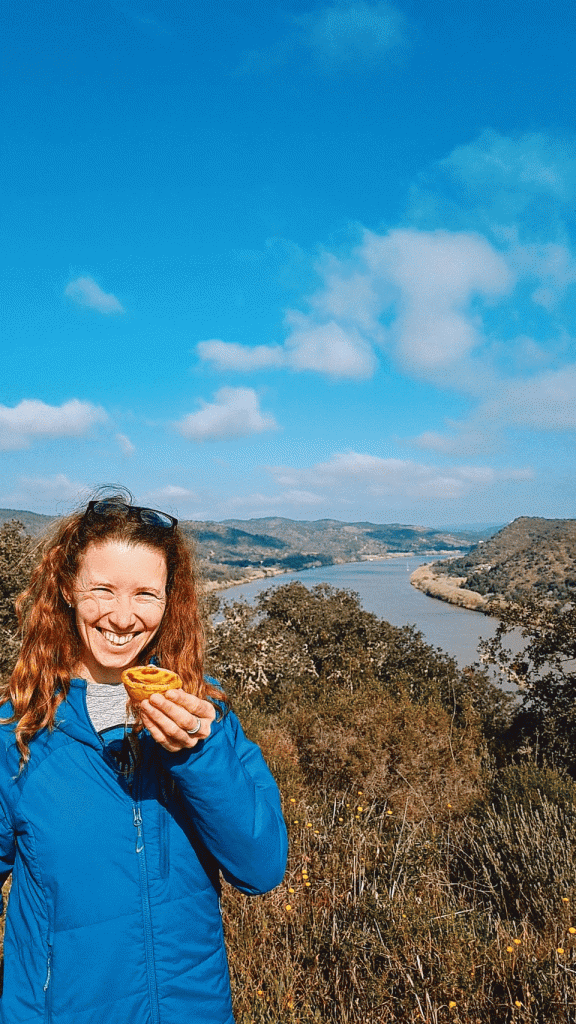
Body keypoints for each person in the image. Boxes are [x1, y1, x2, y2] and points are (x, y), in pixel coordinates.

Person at [0, 491, 288, 1024]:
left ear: (168, 601)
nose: (123, 616)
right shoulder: (17, 733)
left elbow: (262, 868)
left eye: (145, 594)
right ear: (67, 589)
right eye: (102, 589)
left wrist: (199, 754)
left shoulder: (206, 715)